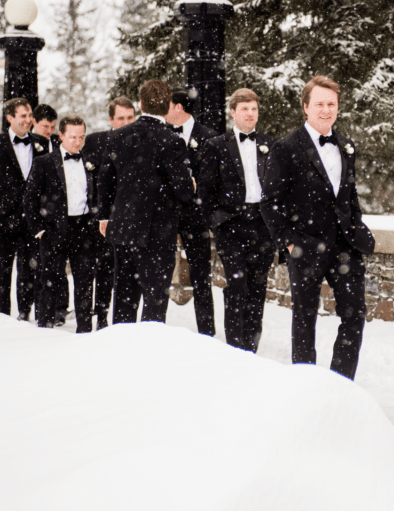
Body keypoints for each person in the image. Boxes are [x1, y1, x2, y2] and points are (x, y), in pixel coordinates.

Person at [260, 75, 375, 380]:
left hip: (345, 246)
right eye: (320, 104)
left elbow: (348, 195)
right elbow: (270, 202)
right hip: (305, 246)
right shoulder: (286, 147)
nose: (326, 110)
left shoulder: (347, 145)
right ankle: (306, 386)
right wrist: (289, 243)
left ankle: (340, 384)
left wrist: (357, 227)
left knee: (355, 316)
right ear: (305, 107)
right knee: (304, 318)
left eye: (332, 104)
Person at [97, 79, 194, 324]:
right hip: (158, 233)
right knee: (154, 303)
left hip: (125, 229)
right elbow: (183, 192)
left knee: (124, 298)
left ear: (140, 104)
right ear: (168, 106)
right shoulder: (172, 141)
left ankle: (120, 349)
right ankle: (149, 354)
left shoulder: (117, 137)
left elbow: (105, 181)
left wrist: (105, 217)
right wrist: (190, 184)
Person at [199, 89, 277, 352]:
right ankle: (234, 349)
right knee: (237, 285)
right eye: (245, 109)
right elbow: (205, 191)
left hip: (263, 226)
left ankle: (250, 348)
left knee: (258, 287)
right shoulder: (216, 145)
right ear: (233, 112)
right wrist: (217, 223)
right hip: (231, 226)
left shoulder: (270, 144)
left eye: (254, 109)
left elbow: (279, 187)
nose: (250, 114)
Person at [0, 98, 50, 320]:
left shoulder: (42, 143)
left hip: (32, 222)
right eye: (23, 116)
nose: (28, 120)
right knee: (1, 273)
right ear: (10, 118)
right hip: (1, 221)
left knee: (30, 271)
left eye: (30, 115)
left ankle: (24, 315)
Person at [24, 115, 98, 332]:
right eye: (73, 137)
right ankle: (44, 327)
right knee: (49, 280)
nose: (78, 142)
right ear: (61, 136)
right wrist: (39, 229)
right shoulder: (44, 163)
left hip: (83, 229)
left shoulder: (91, 162)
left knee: (84, 282)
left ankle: (84, 330)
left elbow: (96, 196)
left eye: (82, 137)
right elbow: (30, 199)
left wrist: (94, 222)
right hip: (53, 230)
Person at [164, 86, 219, 336]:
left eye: (166, 106)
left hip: (196, 217)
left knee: (202, 279)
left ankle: (207, 334)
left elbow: (213, 179)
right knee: (159, 276)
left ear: (178, 107)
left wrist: (197, 187)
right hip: (165, 215)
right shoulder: (160, 134)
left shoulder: (209, 137)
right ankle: (153, 331)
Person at [82, 96, 136, 330]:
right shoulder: (95, 142)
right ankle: (101, 315)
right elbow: (87, 179)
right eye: (121, 118)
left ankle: (124, 322)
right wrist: (100, 213)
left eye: (130, 118)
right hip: (101, 217)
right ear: (111, 119)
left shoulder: (142, 141)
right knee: (103, 268)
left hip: (133, 219)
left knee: (127, 275)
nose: (126, 122)